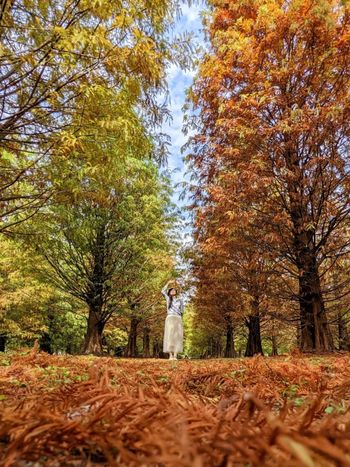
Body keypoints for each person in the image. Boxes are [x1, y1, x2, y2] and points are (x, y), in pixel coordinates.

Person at [162, 280, 184, 360]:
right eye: (171, 290)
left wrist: (179, 285)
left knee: (177, 336)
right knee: (169, 336)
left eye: (174, 290)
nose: (173, 291)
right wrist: (168, 283)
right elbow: (163, 291)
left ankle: (175, 355)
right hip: (170, 318)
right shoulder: (168, 299)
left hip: (178, 318)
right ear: (169, 293)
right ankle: (170, 355)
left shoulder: (179, 300)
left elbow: (182, 310)